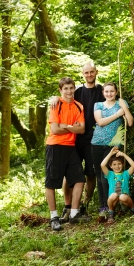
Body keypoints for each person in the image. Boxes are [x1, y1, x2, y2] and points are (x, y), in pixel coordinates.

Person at [51, 62, 105, 222]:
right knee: (70, 175)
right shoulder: (78, 91)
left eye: (91, 72)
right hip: (74, 140)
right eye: (86, 72)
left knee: (91, 174)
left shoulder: (101, 91)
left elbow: (112, 100)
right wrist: (54, 97)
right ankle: (67, 207)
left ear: (96, 72)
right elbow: (63, 98)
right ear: (83, 74)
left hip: (94, 139)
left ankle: (84, 205)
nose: (89, 75)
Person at [45, 77, 89, 231]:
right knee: (51, 182)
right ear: (60, 90)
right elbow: (55, 130)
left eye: (71, 88)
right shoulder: (56, 104)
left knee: (79, 179)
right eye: (66, 89)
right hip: (55, 146)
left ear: (74, 89)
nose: (69, 91)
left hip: (71, 147)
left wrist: (65, 126)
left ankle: (74, 214)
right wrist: (72, 127)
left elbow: (82, 129)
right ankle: (54, 217)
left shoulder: (79, 106)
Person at [91, 81, 134, 221]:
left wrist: (124, 109)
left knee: (109, 174)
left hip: (113, 144)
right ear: (103, 93)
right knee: (99, 174)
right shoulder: (98, 105)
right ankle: (103, 205)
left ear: (116, 92)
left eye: (112, 91)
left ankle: (114, 204)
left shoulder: (121, 103)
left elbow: (130, 122)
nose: (109, 94)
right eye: (106, 91)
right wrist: (117, 114)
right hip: (97, 142)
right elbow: (100, 122)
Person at [100, 146, 134, 223]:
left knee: (122, 196)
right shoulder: (110, 174)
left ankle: (133, 208)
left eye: (119, 164)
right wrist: (110, 153)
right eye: (114, 164)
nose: (117, 166)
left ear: (122, 164)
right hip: (113, 202)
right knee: (114, 195)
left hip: (124, 201)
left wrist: (124, 155)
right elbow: (102, 165)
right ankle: (111, 213)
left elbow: (133, 165)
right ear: (110, 166)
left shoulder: (125, 174)